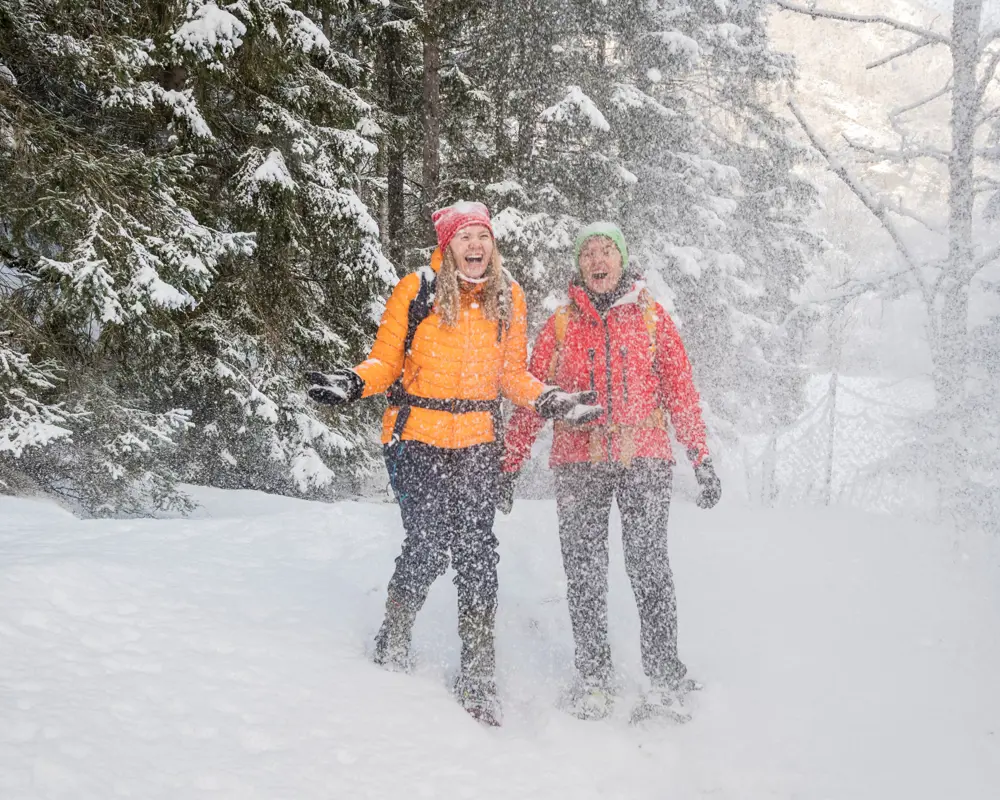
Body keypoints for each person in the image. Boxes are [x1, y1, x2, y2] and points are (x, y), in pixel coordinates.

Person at [306, 201, 601, 726]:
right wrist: (354, 382)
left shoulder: (508, 296)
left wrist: (549, 399)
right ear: (447, 246)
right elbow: (385, 361)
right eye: (464, 237)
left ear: (492, 244)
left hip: (477, 441)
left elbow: (511, 376)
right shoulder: (416, 290)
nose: (474, 246)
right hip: (416, 436)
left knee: (478, 551)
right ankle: (394, 635)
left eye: (482, 237)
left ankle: (479, 670)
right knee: (428, 541)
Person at [499, 221, 722, 721]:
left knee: (649, 568)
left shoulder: (652, 319)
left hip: (643, 457)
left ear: (622, 260)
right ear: (579, 265)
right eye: (589, 253)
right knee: (584, 574)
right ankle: (593, 679)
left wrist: (700, 458)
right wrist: (509, 465)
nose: (598, 261)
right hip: (577, 463)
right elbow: (532, 399)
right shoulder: (559, 325)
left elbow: (681, 392)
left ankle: (665, 676)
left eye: (607, 251)